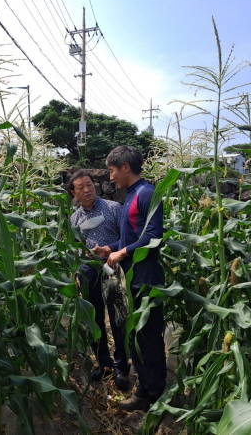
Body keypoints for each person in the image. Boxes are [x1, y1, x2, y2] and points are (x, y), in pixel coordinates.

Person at [93, 146, 167, 411]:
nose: (110, 177)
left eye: (112, 170)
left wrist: (123, 251)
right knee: (136, 337)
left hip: (146, 280)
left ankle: (154, 397)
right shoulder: (132, 196)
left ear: (125, 167)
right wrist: (112, 249)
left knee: (148, 339)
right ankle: (144, 392)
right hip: (133, 279)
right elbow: (132, 239)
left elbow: (154, 238)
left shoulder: (147, 194)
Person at [69, 169, 130, 391]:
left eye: (90, 185)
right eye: (81, 187)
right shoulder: (74, 219)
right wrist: (81, 257)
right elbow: (73, 247)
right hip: (88, 272)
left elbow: (127, 238)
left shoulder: (114, 208)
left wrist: (108, 249)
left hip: (112, 268)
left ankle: (122, 366)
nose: (87, 190)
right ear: (73, 193)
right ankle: (103, 363)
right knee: (94, 318)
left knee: (118, 318)